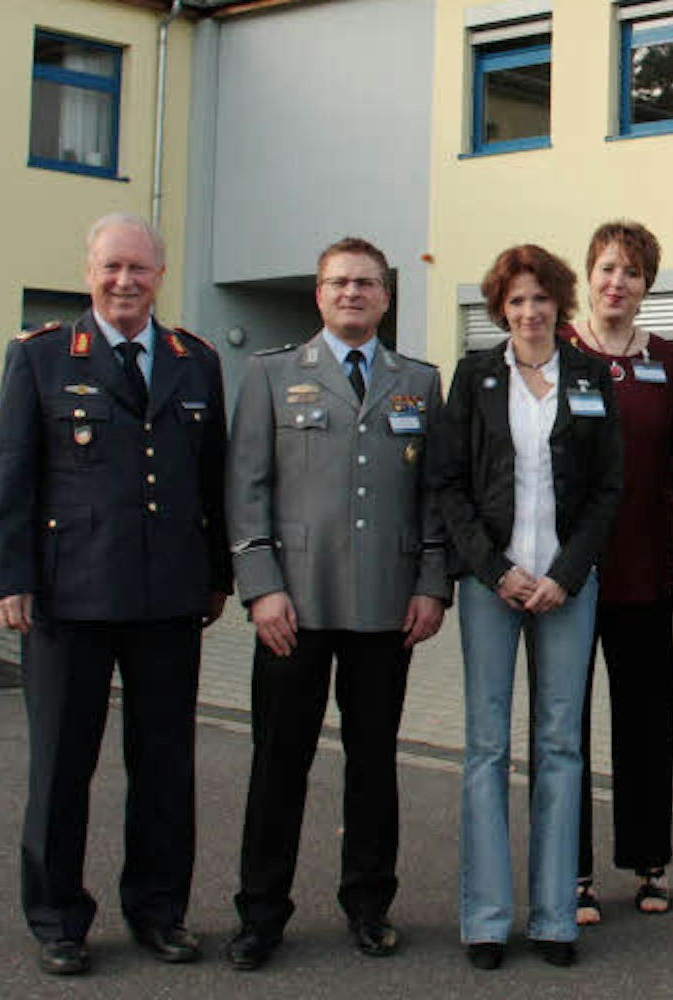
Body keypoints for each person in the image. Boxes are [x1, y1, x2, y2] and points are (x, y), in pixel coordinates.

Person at [0, 212, 230, 976]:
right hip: (70, 597)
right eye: (112, 267)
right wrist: (7, 577)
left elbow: (211, 478)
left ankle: (158, 911)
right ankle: (57, 918)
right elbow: (11, 471)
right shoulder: (41, 356)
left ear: (161, 276)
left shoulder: (195, 361)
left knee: (165, 767)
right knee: (61, 767)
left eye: (139, 268)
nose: (125, 281)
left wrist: (218, 575)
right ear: (88, 271)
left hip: (168, 598)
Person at [222, 238, 450, 970]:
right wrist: (260, 588)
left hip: (386, 606)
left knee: (373, 765)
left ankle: (369, 905)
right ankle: (261, 913)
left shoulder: (419, 381)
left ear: (386, 296)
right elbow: (246, 488)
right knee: (278, 764)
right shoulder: (271, 375)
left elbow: (435, 494)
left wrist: (432, 584)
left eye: (366, 283)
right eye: (339, 282)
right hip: (293, 606)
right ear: (319, 294)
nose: (352, 292)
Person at [429, 244, 624, 970]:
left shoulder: (590, 376)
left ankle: (553, 918)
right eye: (516, 300)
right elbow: (449, 483)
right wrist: (494, 569)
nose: (530, 311)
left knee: (560, 745)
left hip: (566, 585)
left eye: (541, 298)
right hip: (493, 585)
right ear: (500, 308)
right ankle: (485, 920)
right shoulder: (476, 375)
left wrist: (566, 574)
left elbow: (608, 487)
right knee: (486, 747)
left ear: (559, 304)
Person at [560, 221, 673, 923]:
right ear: (589, 274)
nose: (618, 283)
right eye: (608, 268)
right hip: (569, 572)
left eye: (632, 273)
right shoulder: (555, 349)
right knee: (566, 727)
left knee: (645, 721)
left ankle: (649, 861)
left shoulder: (668, 362)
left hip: (646, 566)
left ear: (647, 286)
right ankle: (571, 869)